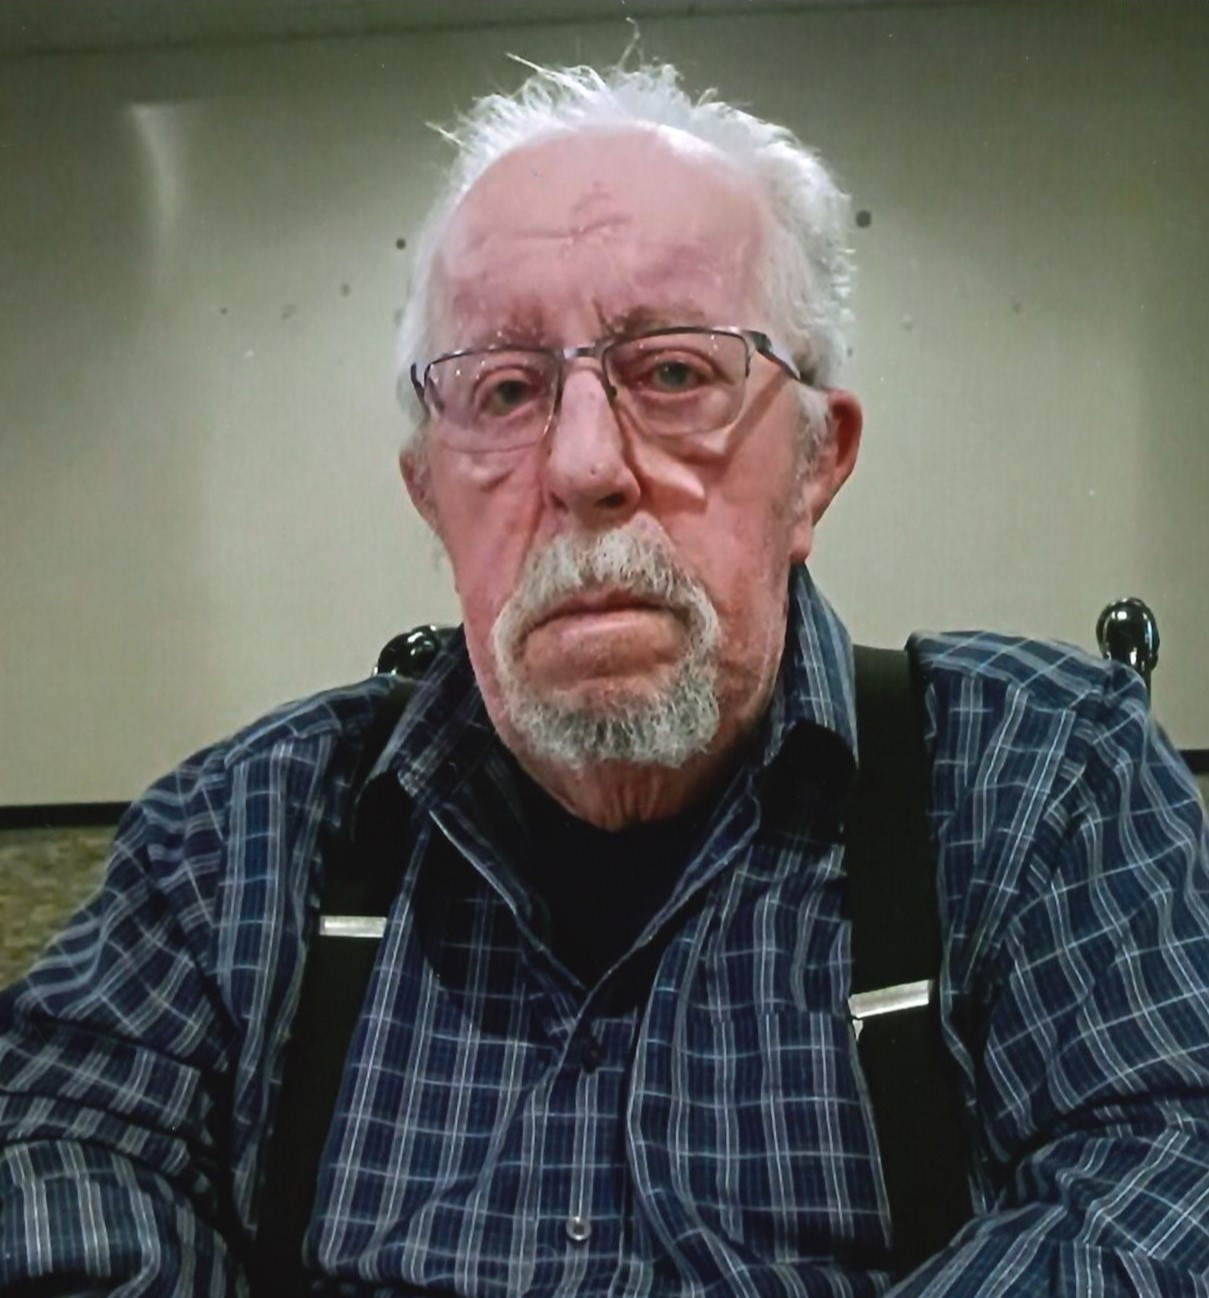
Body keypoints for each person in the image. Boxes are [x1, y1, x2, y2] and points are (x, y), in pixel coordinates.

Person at [2, 57, 1208, 1298]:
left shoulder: (1044, 786)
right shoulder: (238, 842)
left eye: (674, 371)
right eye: (505, 389)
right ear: (432, 496)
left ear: (814, 464)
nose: (583, 466)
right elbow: (52, 1155)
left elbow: (1166, 1181)